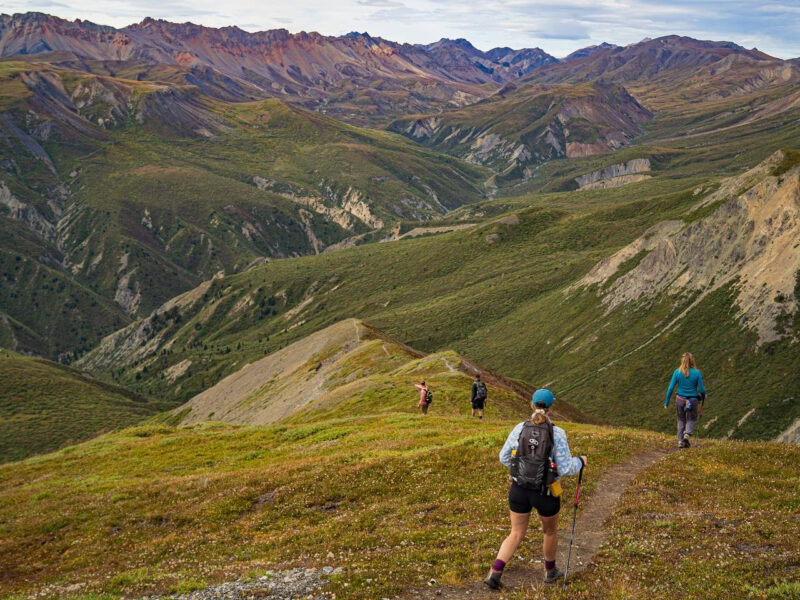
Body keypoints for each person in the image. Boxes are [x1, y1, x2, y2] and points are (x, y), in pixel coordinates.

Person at [484, 389, 586, 589]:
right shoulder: (557, 432)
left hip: (519, 489)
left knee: (515, 533)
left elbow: (503, 457)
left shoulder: (519, 428)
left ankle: (495, 573)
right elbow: (565, 469)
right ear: (551, 407)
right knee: (549, 532)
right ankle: (550, 571)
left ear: (532, 405)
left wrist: (522, 471)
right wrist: (581, 462)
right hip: (546, 492)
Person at [664, 352, 707, 448]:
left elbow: (670, 388)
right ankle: (687, 434)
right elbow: (702, 389)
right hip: (693, 400)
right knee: (691, 418)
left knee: (681, 419)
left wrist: (666, 402)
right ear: (692, 361)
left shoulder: (677, 372)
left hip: (680, 400)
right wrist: (704, 395)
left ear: (682, 361)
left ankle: (680, 441)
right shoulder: (697, 373)